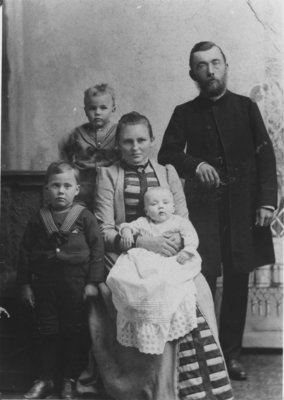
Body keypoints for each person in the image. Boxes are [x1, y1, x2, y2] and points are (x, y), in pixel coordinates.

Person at [78, 111, 234, 400]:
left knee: (196, 290)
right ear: (118, 145)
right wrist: (145, 243)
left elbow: (182, 217)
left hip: (169, 254)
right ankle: (158, 387)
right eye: (127, 142)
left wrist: (174, 241)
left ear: (151, 140)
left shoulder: (168, 172)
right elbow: (104, 231)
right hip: (128, 254)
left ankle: (198, 386)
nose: (135, 148)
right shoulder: (108, 175)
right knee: (152, 294)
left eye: (141, 140)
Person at [158, 41, 277, 380]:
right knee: (203, 280)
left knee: (239, 279)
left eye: (215, 63)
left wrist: (267, 201)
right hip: (204, 211)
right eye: (202, 66)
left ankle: (232, 355)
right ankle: (207, 356)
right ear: (192, 73)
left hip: (243, 210)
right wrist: (194, 164)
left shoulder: (245, 107)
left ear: (226, 66)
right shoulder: (184, 112)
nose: (210, 71)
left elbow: (264, 156)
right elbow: (167, 154)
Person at [18, 161, 105, 399]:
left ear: (77, 189)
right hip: (44, 285)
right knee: (47, 331)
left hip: (75, 286)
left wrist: (92, 282)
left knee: (73, 331)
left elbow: (97, 250)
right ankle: (45, 380)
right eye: (55, 185)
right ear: (46, 188)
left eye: (67, 185)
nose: (61, 191)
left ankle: (68, 380)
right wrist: (25, 285)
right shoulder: (39, 219)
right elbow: (24, 253)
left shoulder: (84, 217)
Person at [107, 186, 202, 355]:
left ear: (173, 207)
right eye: (154, 204)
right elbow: (127, 226)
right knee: (130, 277)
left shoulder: (178, 221)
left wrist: (188, 249)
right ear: (146, 210)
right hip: (147, 260)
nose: (160, 207)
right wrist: (127, 232)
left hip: (171, 259)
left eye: (165, 203)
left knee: (168, 281)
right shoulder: (143, 222)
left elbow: (191, 235)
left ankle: (162, 318)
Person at [59, 83, 119, 211]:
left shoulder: (118, 132)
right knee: (80, 214)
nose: (97, 112)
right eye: (92, 108)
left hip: (111, 186)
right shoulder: (77, 134)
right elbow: (66, 158)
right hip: (85, 186)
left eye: (103, 108)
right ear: (85, 110)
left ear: (113, 109)